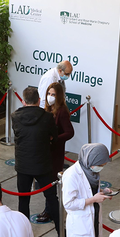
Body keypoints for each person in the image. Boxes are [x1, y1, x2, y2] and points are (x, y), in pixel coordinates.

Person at [12, 87, 60, 237]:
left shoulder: (15, 116)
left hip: (23, 164)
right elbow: (55, 136)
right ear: (39, 100)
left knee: (23, 199)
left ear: (23, 101)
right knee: (52, 198)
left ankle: (24, 235)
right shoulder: (47, 117)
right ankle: (61, 232)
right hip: (42, 164)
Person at [36, 82, 75, 224]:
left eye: (53, 94)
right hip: (46, 152)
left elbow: (69, 132)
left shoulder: (62, 111)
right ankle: (49, 210)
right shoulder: (47, 109)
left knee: (51, 183)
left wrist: (55, 139)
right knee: (47, 183)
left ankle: (50, 211)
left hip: (55, 153)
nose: (50, 97)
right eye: (49, 94)